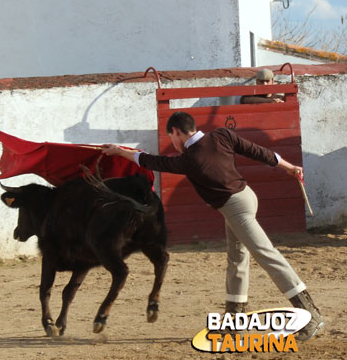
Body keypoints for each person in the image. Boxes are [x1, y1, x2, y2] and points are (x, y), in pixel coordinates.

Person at [101, 111, 324, 341]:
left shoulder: (190, 158)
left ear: (176, 132)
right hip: (245, 198)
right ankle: (234, 322)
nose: (174, 144)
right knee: (237, 259)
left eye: (172, 138)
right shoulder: (222, 135)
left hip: (236, 208)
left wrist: (119, 151)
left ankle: (310, 314)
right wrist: (288, 167)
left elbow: (152, 161)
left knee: (266, 254)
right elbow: (259, 152)